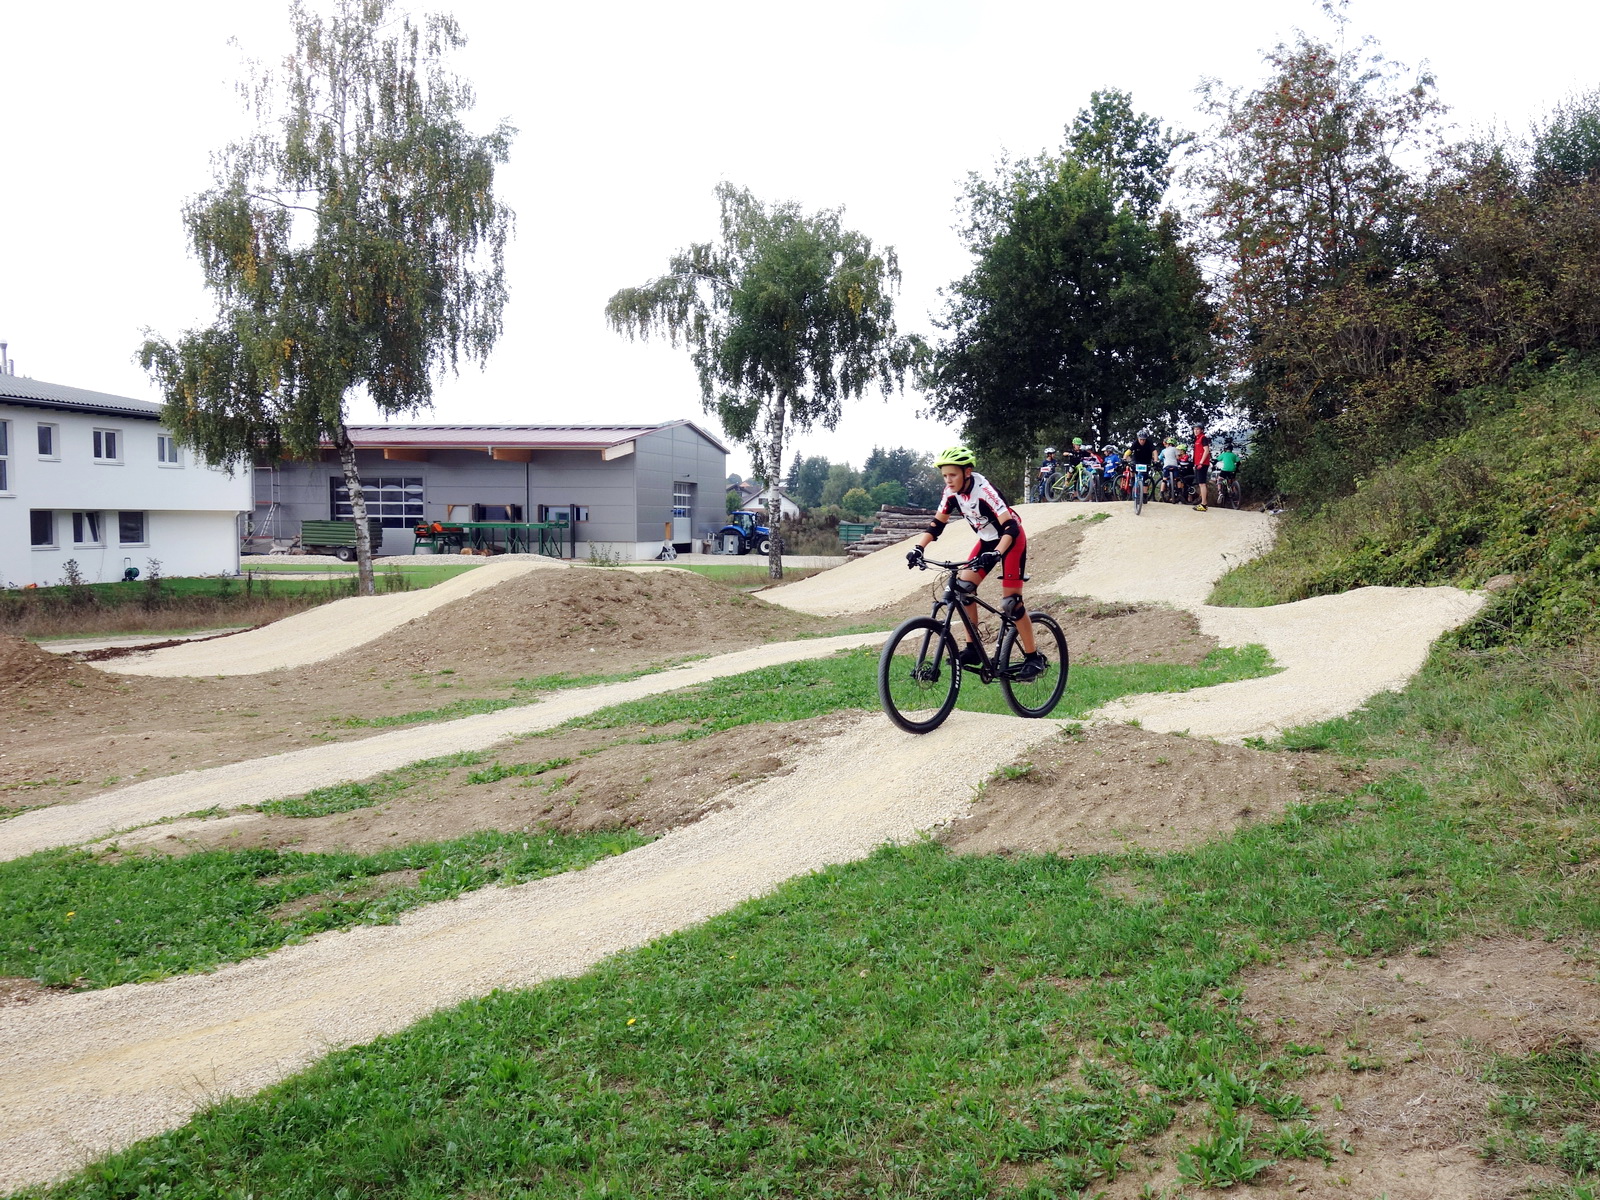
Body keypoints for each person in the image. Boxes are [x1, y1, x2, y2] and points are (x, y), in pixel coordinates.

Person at [906, 446, 1045, 680]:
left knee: (1011, 603)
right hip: (987, 541)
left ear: (967, 472)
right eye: (945, 476)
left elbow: (1009, 526)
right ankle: (973, 649)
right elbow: (936, 524)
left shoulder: (984, 490)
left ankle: (1034, 658)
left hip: (1010, 540)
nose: (948, 480)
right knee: (962, 589)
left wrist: (998, 552)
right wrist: (918, 547)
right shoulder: (951, 493)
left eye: (953, 475)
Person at [1126, 431, 1158, 502]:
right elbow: (1129, 451)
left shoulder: (1149, 443)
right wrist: (1124, 458)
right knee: (1132, 467)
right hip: (1136, 460)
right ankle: (1133, 479)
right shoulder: (1135, 443)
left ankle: (1145, 495)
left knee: (1145, 479)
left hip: (1146, 462)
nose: (1142, 441)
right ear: (1138, 438)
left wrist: (1155, 461)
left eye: (1144, 439)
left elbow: (1154, 451)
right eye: (1141, 439)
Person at [1192, 428, 1212, 512]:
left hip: (1202, 464)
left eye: (1198, 429)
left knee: (1202, 484)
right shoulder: (1197, 439)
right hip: (1198, 463)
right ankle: (1203, 503)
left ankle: (1204, 504)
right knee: (1200, 484)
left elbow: (1206, 450)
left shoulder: (1203, 438)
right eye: (1194, 429)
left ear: (1201, 430)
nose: (1195, 431)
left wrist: (1201, 462)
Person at [1160, 437, 1182, 503]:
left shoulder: (1164, 450)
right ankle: (1180, 491)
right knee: (1178, 479)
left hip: (1166, 466)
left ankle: (1161, 492)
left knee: (1164, 479)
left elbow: (1160, 458)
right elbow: (1178, 458)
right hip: (1174, 466)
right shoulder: (1175, 449)